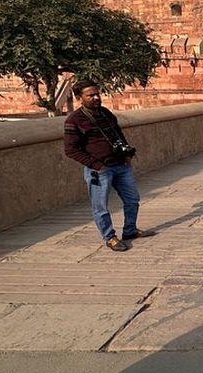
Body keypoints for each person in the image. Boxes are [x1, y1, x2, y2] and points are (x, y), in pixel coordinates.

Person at [63, 79, 155, 252]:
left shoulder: (105, 113)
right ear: (79, 98)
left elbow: (118, 133)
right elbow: (70, 150)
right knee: (101, 207)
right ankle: (110, 237)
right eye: (90, 95)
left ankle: (130, 230)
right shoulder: (74, 120)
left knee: (132, 200)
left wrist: (127, 153)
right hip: (99, 170)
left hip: (121, 165)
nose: (96, 98)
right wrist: (96, 165)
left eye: (97, 94)